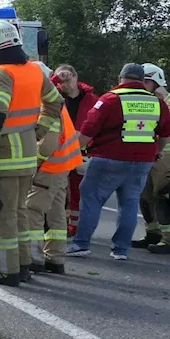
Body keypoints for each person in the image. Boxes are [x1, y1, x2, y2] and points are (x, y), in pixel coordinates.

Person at [0, 20, 64, 286]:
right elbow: (55, 102)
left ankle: (6, 270)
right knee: (20, 212)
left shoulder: (3, 74)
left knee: (2, 216)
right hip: (27, 155)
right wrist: (37, 132)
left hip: (4, 155)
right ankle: (24, 265)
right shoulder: (35, 72)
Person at [67, 63, 170, 260]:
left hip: (108, 159)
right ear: (142, 80)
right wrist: (158, 151)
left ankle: (81, 244)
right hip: (142, 162)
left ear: (120, 78)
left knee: (91, 199)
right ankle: (120, 250)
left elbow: (87, 130)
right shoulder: (157, 102)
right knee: (129, 203)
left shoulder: (109, 99)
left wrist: (72, 154)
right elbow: (166, 132)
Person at [26, 62, 83, 275]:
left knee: (34, 210)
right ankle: (55, 259)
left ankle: (34, 259)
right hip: (62, 166)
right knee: (57, 213)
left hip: (48, 167)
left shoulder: (45, 103)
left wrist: (35, 162)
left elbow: (48, 141)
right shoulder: (56, 101)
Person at [134, 63, 170, 255]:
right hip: (146, 153)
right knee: (145, 196)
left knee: (166, 196)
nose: (142, 84)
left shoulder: (168, 100)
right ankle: (153, 234)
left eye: (146, 81)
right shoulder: (142, 99)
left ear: (156, 81)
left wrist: (166, 95)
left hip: (166, 158)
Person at [50, 64, 98, 237]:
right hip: (59, 151)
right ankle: (60, 225)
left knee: (78, 192)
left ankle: (75, 227)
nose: (65, 84)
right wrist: (55, 79)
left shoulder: (91, 99)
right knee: (58, 191)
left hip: (82, 153)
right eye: (61, 81)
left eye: (68, 79)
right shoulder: (54, 97)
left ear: (76, 77)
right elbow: (41, 91)